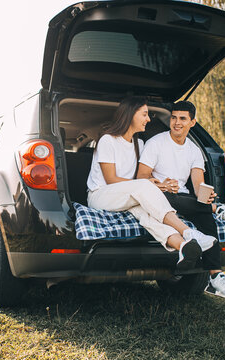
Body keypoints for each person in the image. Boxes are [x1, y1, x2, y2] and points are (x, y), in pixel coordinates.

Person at [86, 96, 217, 272]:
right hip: (101, 195)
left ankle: (184, 247)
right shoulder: (108, 140)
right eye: (145, 114)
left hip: (126, 197)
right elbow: (111, 180)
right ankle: (188, 232)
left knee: (147, 216)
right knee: (143, 186)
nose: (149, 119)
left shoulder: (139, 144)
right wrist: (149, 185)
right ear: (131, 115)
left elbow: (142, 181)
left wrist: (161, 185)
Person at [137, 100, 225, 300]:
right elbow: (141, 177)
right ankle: (217, 209)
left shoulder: (194, 151)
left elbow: (197, 185)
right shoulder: (156, 143)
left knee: (205, 218)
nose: (177, 123)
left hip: (184, 197)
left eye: (182, 119)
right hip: (158, 194)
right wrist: (162, 184)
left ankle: (216, 277)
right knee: (186, 202)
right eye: (174, 118)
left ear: (192, 122)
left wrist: (206, 195)